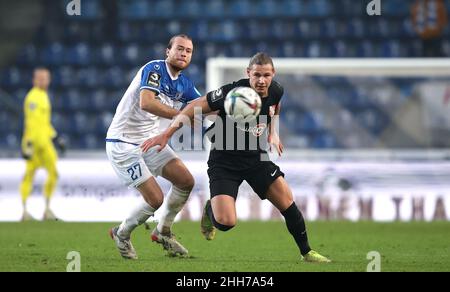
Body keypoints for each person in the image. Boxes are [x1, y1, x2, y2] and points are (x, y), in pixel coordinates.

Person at [141, 52, 331, 263]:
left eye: (266, 75)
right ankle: (211, 208)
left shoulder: (276, 90)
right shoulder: (232, 93)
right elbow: (195, 106)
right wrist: (167, 134)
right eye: (256, 74)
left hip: (256, 158)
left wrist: (273, 132)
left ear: (273, 74)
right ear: (248, 73)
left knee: (288, 203)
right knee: (226, 223)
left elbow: (275, 106)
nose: (261, 80)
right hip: (224, 161)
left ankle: (306, 252)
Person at [106, 34, 201, 259]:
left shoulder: (185, 84)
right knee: (156, 199)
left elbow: (204, 106)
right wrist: (182, 115)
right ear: (167, 51)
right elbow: (146, 102)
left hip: (149, 141)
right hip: (123, 143)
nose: (183, 53)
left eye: (188, 51)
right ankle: (122, 233)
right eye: (179, 48)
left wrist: (235, 107)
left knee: (186, 181)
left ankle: (163, 231)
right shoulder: (155, 69)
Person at [20, 67, 65, 221]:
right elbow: (31, 123)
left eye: (46, 78)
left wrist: (56, 137)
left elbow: (44, 123)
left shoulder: (44, 96)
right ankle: (24, 211)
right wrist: (28, 145)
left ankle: (47, 209)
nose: (43, 81)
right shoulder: (32, 97)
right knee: (29, 176)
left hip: (45, 142)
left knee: (53, 173)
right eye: (40, 78)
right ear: (34, 80)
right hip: (34, 143)